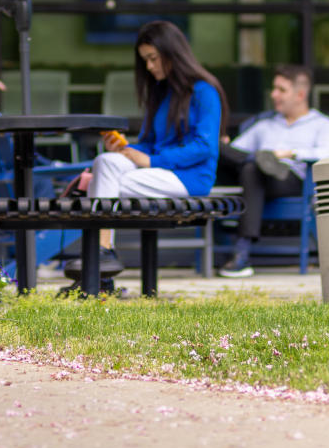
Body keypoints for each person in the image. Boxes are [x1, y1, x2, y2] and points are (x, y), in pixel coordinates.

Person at [74, 19, 224, 283]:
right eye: (145, 60)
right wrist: (125, 149)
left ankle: (100, 263)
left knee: (106, 182)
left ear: (172, 53)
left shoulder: (204, 92)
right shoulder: (160, 93)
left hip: (189, 178)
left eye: (153, 58)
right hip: (156, 171)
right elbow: (148, 143)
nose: (149, 66)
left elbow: (205, 147)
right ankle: (104, 252)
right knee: (105, 162)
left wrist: (153, 160)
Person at [215, 64, 329, 278]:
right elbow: (236, 151)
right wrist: (224, 146)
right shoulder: (265, 125)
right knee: (239, 159)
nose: (273, 95)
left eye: (281, 90)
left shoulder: (322, 124)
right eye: (274, 89)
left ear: (300, 94)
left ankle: (242, 254)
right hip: (256, 179)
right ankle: (258, 159)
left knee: (252, 167)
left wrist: (289, 153)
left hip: (294, 181)